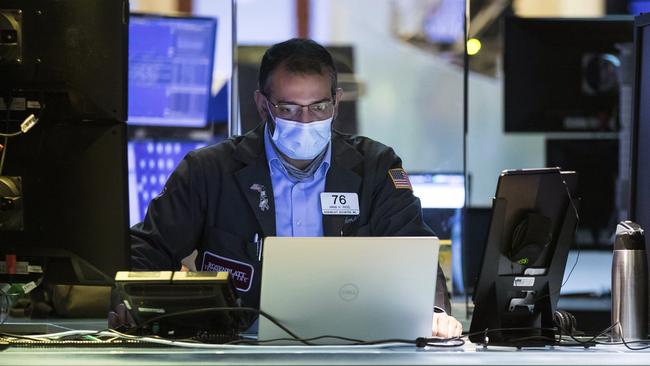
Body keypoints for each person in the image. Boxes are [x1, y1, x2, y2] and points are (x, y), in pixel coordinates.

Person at [124, 38, 462, 338]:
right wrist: (134, 305)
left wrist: (432, 313)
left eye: (319, 107)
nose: (305, 122)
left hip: (352, 346)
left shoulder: (375, 166)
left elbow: (413, 252)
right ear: (262, 104)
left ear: (337, 102)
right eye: (288, 108)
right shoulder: (209, 171)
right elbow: (148, 249)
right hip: (239, 348)